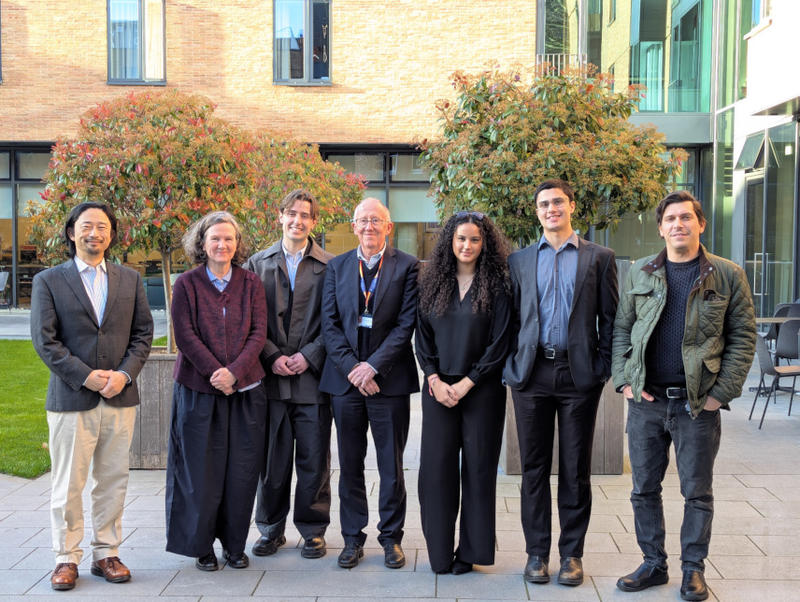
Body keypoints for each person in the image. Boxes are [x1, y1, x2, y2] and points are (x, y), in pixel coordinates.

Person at [612, 190, 755, 601]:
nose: (678, 224)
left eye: (686, 218)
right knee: (643, 489)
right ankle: (653, 564)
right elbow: (622, 329)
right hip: (646, 403)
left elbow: (743, 338)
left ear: (700, 224)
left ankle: (693, 570)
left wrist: (719, 394)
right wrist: (625, 380)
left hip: (698, 406)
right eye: (670, 219)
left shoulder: (726, 274)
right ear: (660, 228)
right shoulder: (640, 272)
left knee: (697, 492)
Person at [31, 202, 154, 591]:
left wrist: (123, 375)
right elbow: (45, 342)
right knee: (68, 483)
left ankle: (106, 554)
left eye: (102, 227)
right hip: (71, 399)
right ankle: (66, 558)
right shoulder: (49, 280)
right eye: (87, 226)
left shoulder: (130, 280)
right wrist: (88, 378)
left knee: (113, 479)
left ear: (111, 234)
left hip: (120, 397)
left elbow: (143, 335)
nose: (94, 233)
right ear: (72, 233)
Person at [503, 178, 618, 587]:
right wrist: (510, 365)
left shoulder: (599, 258)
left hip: (578, 376)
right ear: (537, 212)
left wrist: (601, 367)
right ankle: (537, 553)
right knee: (533, 470)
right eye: (543, 204)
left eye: (558, 202)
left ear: (572, 206)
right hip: (531, 375)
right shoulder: (518, 261)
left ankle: (572, 555)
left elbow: (612, 319)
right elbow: (510, 320)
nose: (551, 209)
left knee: (575, 470)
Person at [165, 211, 267, 572]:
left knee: (241, 472)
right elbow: (185, 334)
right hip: (198, 390)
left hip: (246, 391)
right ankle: (202, 546)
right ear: (202, 243)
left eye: (229, 239)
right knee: (201, 473)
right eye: (215, 239)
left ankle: (235, 546)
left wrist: (235, 373)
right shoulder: (187, 284)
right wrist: (215, 373)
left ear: (237, 244)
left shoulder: (252, 283)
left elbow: (259, 333)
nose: (222, 245)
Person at [320, 197, 419, 569]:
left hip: (388, 382)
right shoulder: (338, 267)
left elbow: (405, 325)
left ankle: (391, 538)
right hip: (346, 385)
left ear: (388, 227)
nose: (369, 227)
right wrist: (354, 369)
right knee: (349, 464)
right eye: (362, 221)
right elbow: (329, 324)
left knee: (391, 465)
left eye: (376, 221)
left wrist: (373, 367)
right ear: (354, 225)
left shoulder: (408, 267)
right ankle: (351, 538)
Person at [415, 211, 511, 575]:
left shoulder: (499, 287)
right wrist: (435, 379)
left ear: (484, 243)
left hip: (482, 391)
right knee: (436, 471)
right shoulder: (431, 284)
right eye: (460, 239)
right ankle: (439, 553)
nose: (467, 245)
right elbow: (421, 337)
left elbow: (500, 343)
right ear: (449, 243)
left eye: (474, 239)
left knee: (478, 471)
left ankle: (469, 553)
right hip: (438, 390)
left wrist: (468, 382)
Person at [244, 190, 334, 560]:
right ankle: (270, 528)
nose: (298, 221)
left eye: (306, 215)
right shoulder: (257, 264)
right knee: (272, 461)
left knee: (314, 460)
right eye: (292, 214)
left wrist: (308, 355)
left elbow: (336, 321)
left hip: (312, 381)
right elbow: (248, 320)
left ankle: (313, 531)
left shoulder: (331, 265)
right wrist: (272, 355)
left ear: (314, 222)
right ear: (279, 216)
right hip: (270, 380)